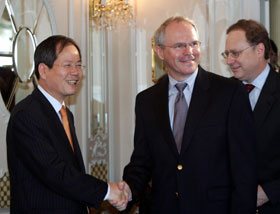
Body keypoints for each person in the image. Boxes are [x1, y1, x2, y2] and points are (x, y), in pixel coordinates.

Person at [122, 16, 257, 214]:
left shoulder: (229, 93)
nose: (189, 52)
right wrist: (127, 192)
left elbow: (244, 169)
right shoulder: (146, 101)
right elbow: (142, 161)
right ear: (159, 51)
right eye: (179, 46)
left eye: (193, 43)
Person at [6, 35, 129, 214]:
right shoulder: (27, 115)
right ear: (43, 70)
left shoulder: (64, 114)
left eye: (78, 65)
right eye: (68, 65)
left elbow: (71, 170)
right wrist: (108, 191)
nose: (76, 72)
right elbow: (55, 173)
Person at [224, 19, 280, 214]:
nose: (230, 60)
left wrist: (269, 191)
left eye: (236, 53)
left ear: (259, 50)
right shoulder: (222, 93)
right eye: (227, 54)